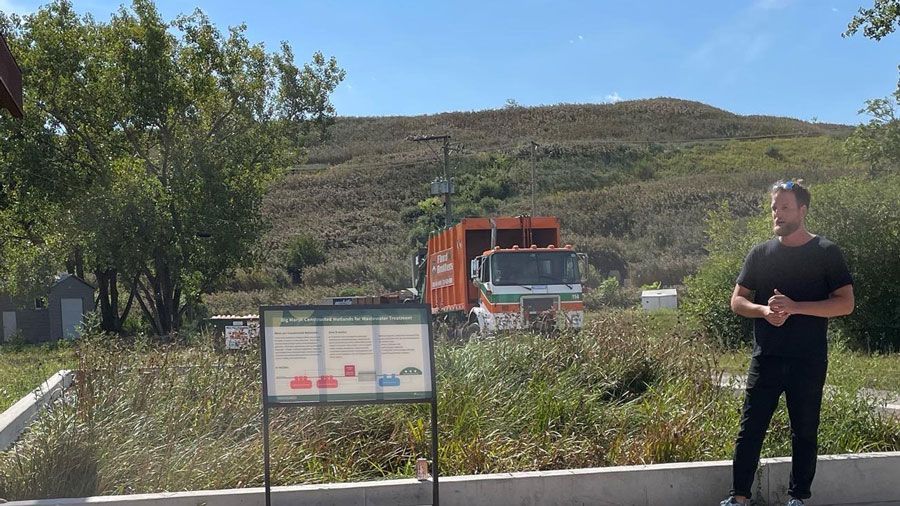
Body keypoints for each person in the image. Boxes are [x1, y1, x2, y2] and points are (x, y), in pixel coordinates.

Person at [720, 179, 854, 506]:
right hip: (766, 358)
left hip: (808, 359)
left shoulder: (826, 252)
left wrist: (796, 308)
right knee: (750, 430)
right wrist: (764, 310)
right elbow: (737, 301)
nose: (777, 214)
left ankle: (798, 499)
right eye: (774, 208)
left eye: (785, 207)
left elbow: (845, 303)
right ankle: (739, 498)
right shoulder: (760, 254)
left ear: (802, 210)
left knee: (805, 432)